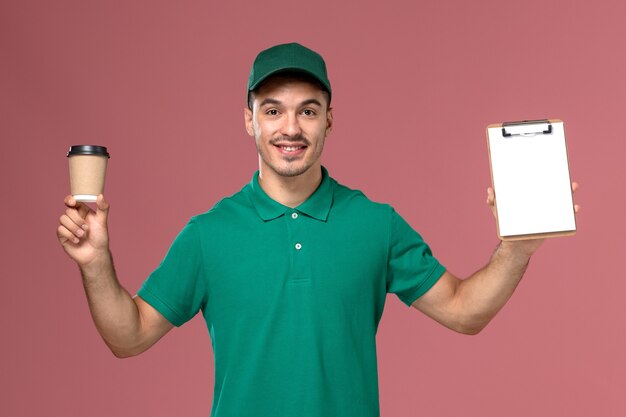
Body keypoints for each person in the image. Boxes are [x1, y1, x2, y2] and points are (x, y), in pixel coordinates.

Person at [57, 42, 579, 417]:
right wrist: (96, 263)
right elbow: (128, 338)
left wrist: (517, 248)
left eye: (308, 111)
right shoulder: (208, 234)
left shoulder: (376, 224)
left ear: (329, 119)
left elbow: (465, 312)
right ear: (250, 121)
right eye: (273, 111)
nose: (290, 128)